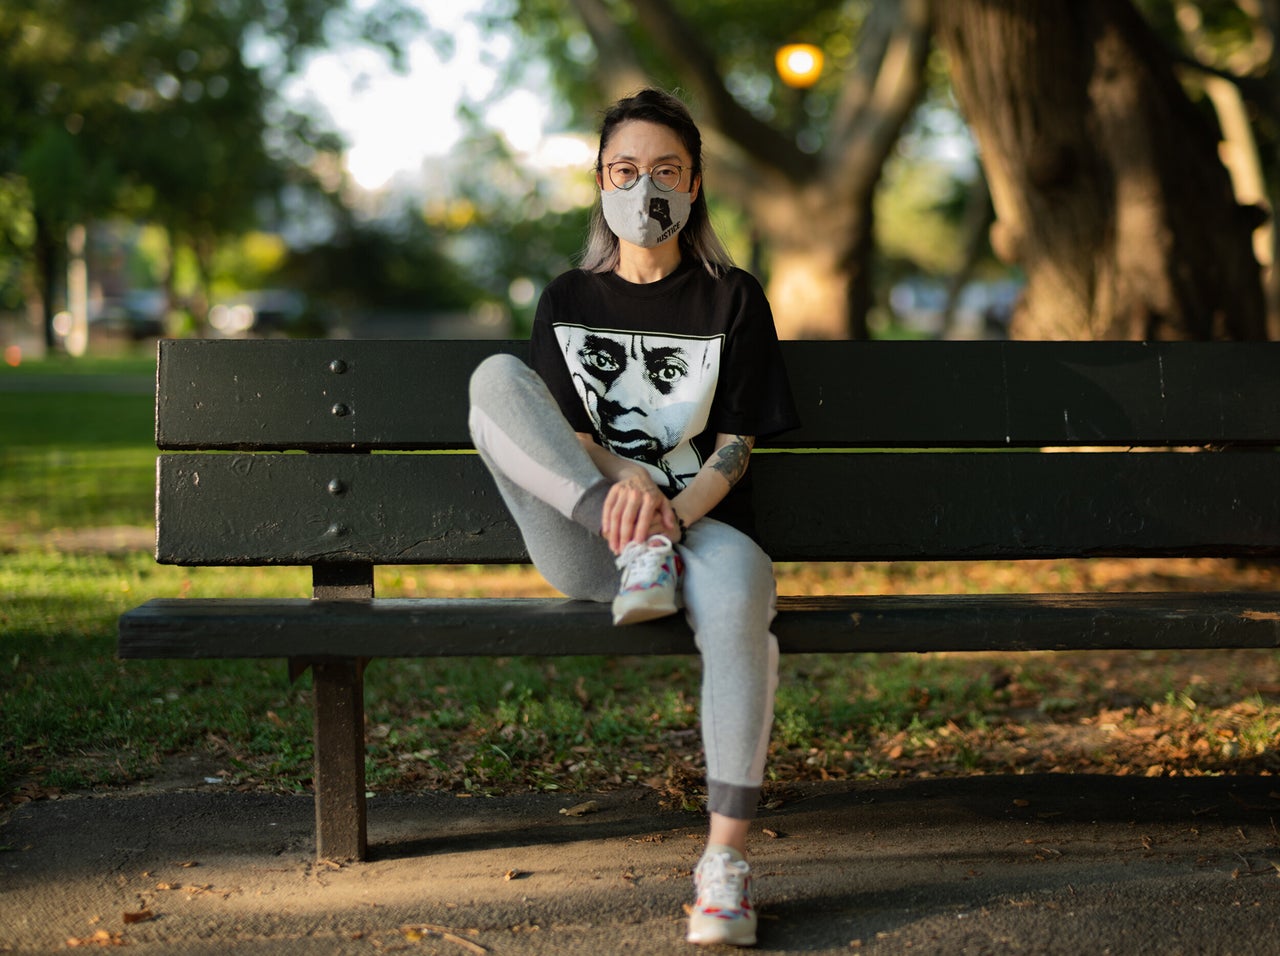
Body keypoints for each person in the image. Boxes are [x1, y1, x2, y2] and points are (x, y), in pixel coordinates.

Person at [467, 88, 800, 948]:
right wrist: (627, 507)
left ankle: (724, 866)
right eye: (625, 170)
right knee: (494, 384)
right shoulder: (568, 299)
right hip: (593, 541)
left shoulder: (733, 299)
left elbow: (736, 446)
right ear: (600, 182)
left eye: (664, 170)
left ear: (694, 185)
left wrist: (670, 516)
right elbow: (569, 439)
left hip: (704, 528)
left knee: (739, 610)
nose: (643, 188)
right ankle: (634, 541)